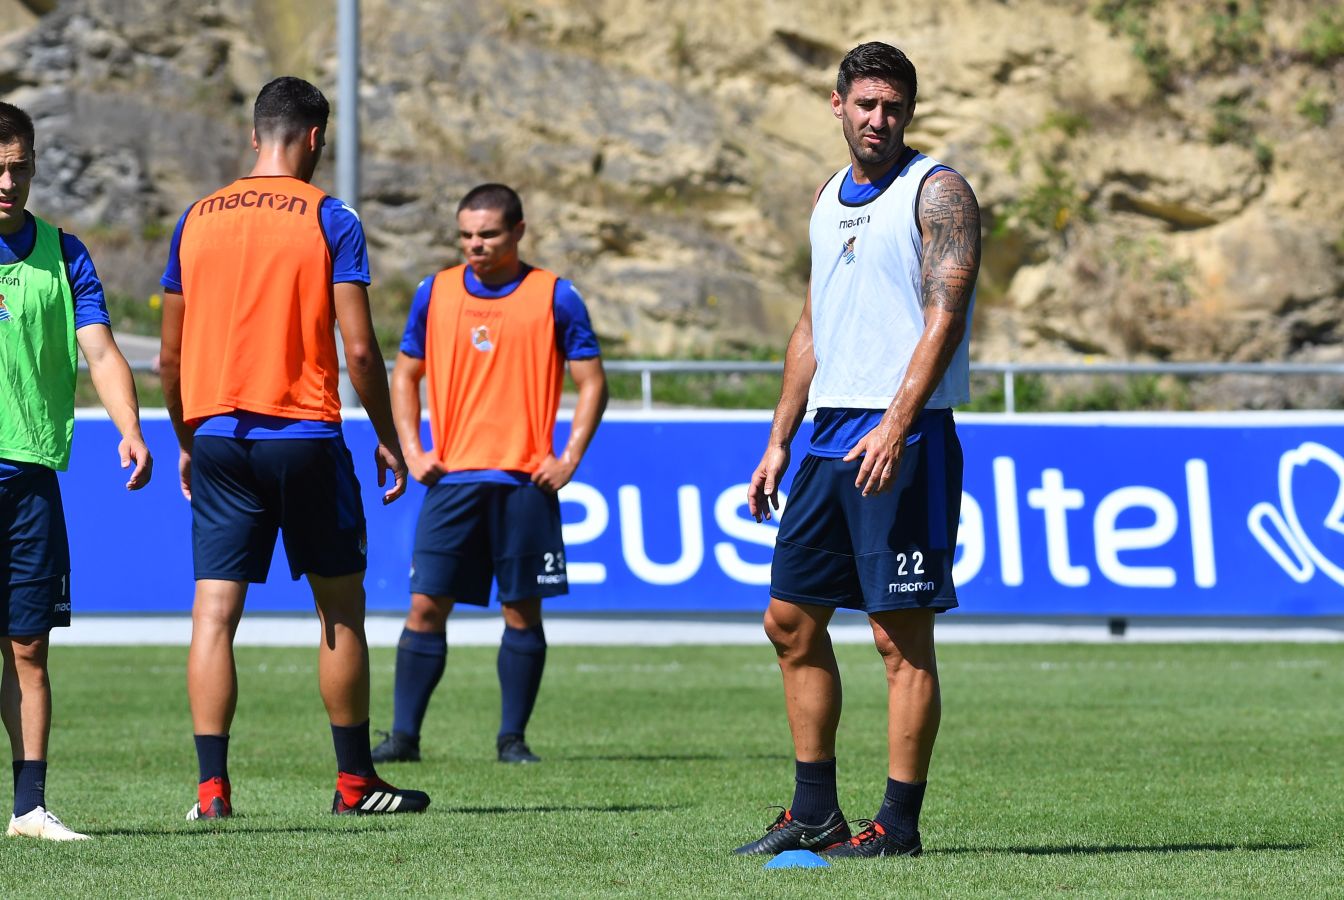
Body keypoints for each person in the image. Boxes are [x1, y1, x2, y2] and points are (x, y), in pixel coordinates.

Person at [158, 76, 428, 819]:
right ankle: (354, 784)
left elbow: (168, 361)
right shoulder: (330, 216)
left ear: (255, 136)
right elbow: (362, 352)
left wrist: (188, 437)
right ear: (316, 139)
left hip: (216, 433)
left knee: (213, 614)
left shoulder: (197, 218)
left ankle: (211, 791)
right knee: (339, 610)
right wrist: (388, 436)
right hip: (304, 433)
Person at [734, 42, 979, 859]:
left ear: (909, 111)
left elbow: (945, 314)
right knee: (789, 621)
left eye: (895, 107)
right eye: (866, 104)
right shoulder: (825, 197)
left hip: (903, 436)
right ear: (836, 104)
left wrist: (897, 420)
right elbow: (813, 324)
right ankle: (815, 813)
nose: (880, 119)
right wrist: (778, 438)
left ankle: (898, 827)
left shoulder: (937, 191)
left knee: (897, 639)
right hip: (827, 439)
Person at [370, 183, 607, 766]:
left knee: (522, 611)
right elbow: (403, 375)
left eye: (489, 234)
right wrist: (412, 447)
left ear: (518, 232)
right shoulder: (435, 292)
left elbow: (592, 383)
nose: (475, 245)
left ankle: (512, 739)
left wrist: (568, 457)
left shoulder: (555, 295)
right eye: (467, 235)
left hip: (526, 484)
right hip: (451, 482)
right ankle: (403, 738)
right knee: (425, 605)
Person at [0, 101, 152, 840]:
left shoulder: (65, 253)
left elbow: (98, 351)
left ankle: (29, 808)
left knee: (28, 647)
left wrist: (129, 428)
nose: (6, 181)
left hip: (29, 478)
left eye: (17, 167)